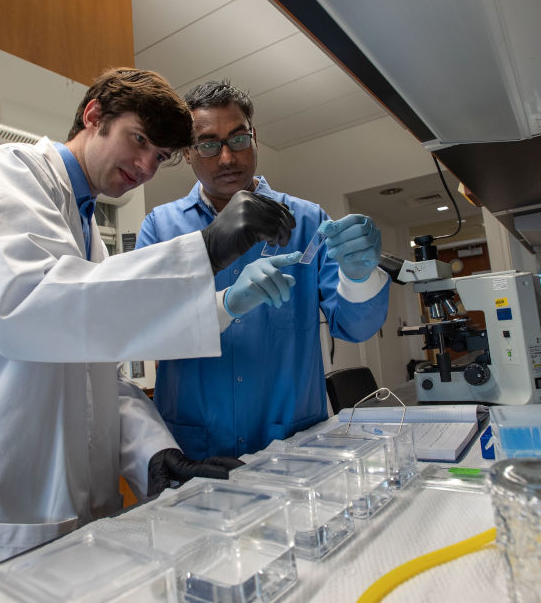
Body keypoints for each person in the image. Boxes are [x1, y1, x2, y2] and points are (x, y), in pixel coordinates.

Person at [0, 68, 295, 603]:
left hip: (49, 524)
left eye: (161, 154)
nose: (146, 166)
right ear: (94, 115)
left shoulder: (84, 232)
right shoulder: (3, 176)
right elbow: (26, 309)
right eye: (139, 140)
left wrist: (151, 453)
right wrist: (207, 251)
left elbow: (98, 374)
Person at [137, 80, 390, 460]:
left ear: (254, 137)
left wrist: (359, 276)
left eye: (238, 139)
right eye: (208, 144)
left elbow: (355, 327)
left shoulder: (306, 221)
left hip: (294, 445)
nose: (227, 158)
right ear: (187, 153)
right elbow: (145, 335)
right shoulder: (161, 227)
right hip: (196, 449)